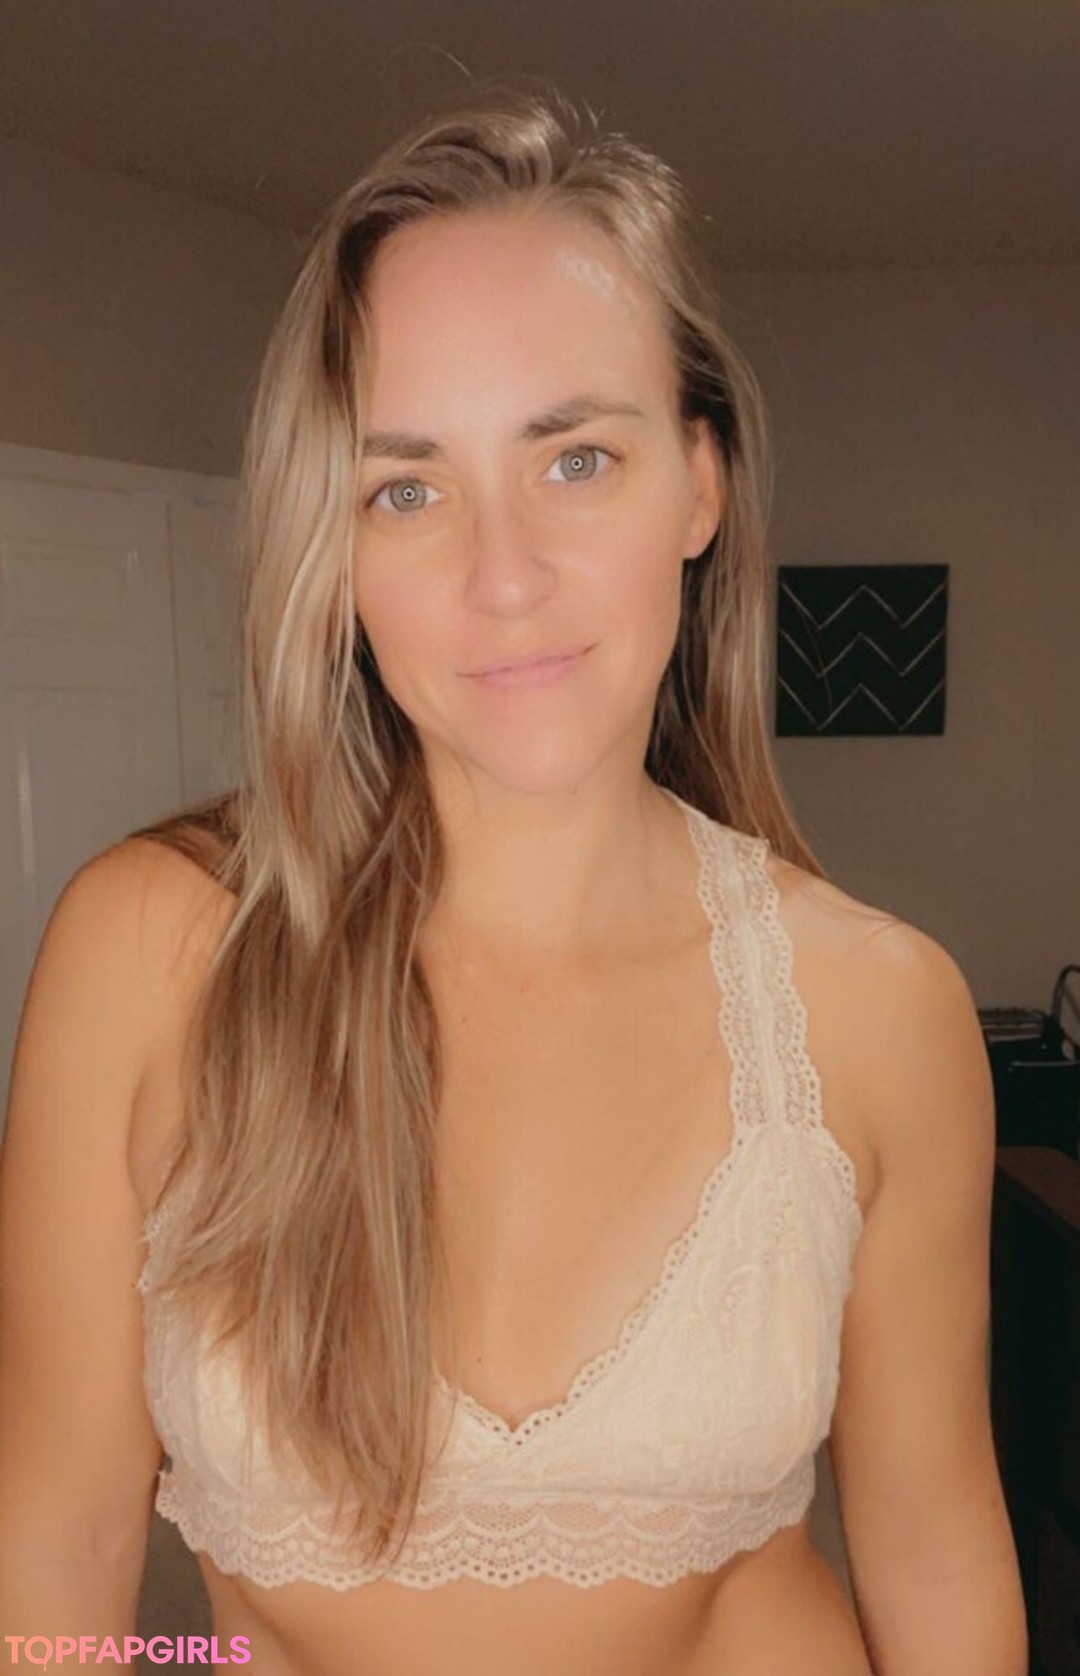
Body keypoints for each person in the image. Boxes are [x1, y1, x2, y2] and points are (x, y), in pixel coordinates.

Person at [0, 82, 1027, 1676]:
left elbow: (939, 1549)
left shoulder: (879, 1010)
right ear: (332, 548)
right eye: (405, 488)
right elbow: (52, 1563)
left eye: (577, 460)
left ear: (700, 484)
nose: (504, 577)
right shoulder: (154, 953)